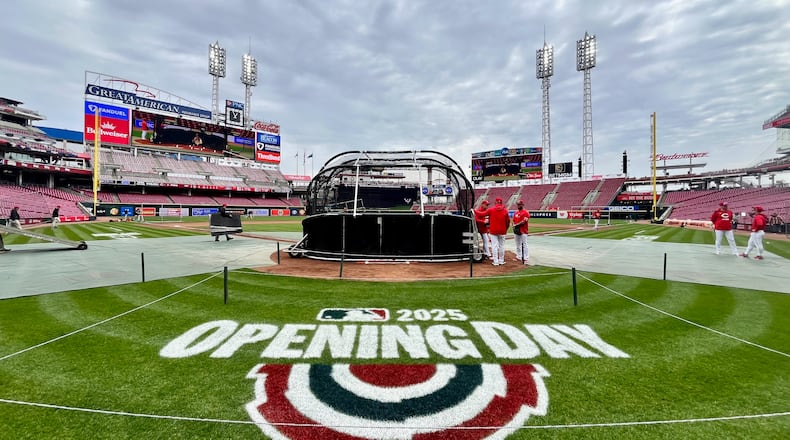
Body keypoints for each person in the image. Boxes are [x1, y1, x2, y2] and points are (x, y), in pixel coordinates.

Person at [485, 197, 510, 266]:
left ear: (495, 202)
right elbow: (508, 222)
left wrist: (474, 211)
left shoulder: (491, 210)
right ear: (501, 203)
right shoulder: (505, 210)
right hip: (502, 231)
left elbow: (482, 214)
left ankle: (495, 261)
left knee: (494, 246)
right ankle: (501, 261)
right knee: (501, 246)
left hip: (493, 231)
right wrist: (505, 229)